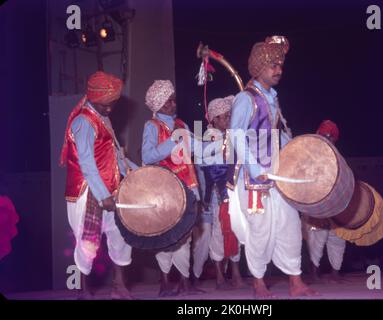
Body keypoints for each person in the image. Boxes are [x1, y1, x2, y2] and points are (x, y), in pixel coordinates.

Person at [227, 36, 318, 298]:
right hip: (255, 179)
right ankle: (258, 282)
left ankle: (295, 281)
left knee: (290, 225)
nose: (279, 70)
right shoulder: (246, 98)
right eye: (273, 65)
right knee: (260, 231)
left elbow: (277, 134)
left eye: (281, 65)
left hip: (279, 175)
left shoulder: (272, 98)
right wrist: (256, 168)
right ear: (258, 68)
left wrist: (300, 149)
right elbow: (236, 135)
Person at [60, 71, 138, 300]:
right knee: (86, 242)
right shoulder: (83, 122)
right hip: (87, 192)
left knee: (121, 237)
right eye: (107, 105)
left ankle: (119, 286)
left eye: (113, 104)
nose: (111, 109)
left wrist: (138, 172)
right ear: (95, 99)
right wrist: (103, 195)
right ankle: (82, 290)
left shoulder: (102, 118)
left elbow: (113, 155)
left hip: (110, 189)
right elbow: (86, 163)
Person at [142, 80, 204, 297]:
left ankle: (185, 281)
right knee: (165, 234)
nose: (172, 103)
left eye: (173, 99)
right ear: (158, 105)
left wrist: (220, 144)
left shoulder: (182, 124)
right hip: (165, 188)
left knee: (186, 234)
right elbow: (147, 156)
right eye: (168, 100)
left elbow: (197, 148)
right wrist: (172, 141)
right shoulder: (151, 126)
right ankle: (165, 282)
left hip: (188, 185)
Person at [192, 96, 246, 290]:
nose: (227, 120)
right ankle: (220, 276)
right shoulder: (207, 140)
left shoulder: (232, 136)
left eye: (228, 116)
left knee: (235, 230)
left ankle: (236, 272)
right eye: (222, 117)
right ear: (213, 120)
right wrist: (205, 197)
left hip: (234, 192)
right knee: (217, 232)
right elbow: (204, 170)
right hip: (215, 195)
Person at [303, 120, 348, 284]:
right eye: (324, 135)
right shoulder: (310, 155)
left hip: (335, 205)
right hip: (316, 204)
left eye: (330, 136)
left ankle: (335, 272)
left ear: (335, 139)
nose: (327, 139)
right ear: (318, 135)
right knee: (317, 237)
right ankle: (314, 272)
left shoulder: (339, 158)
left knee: (338, 237)